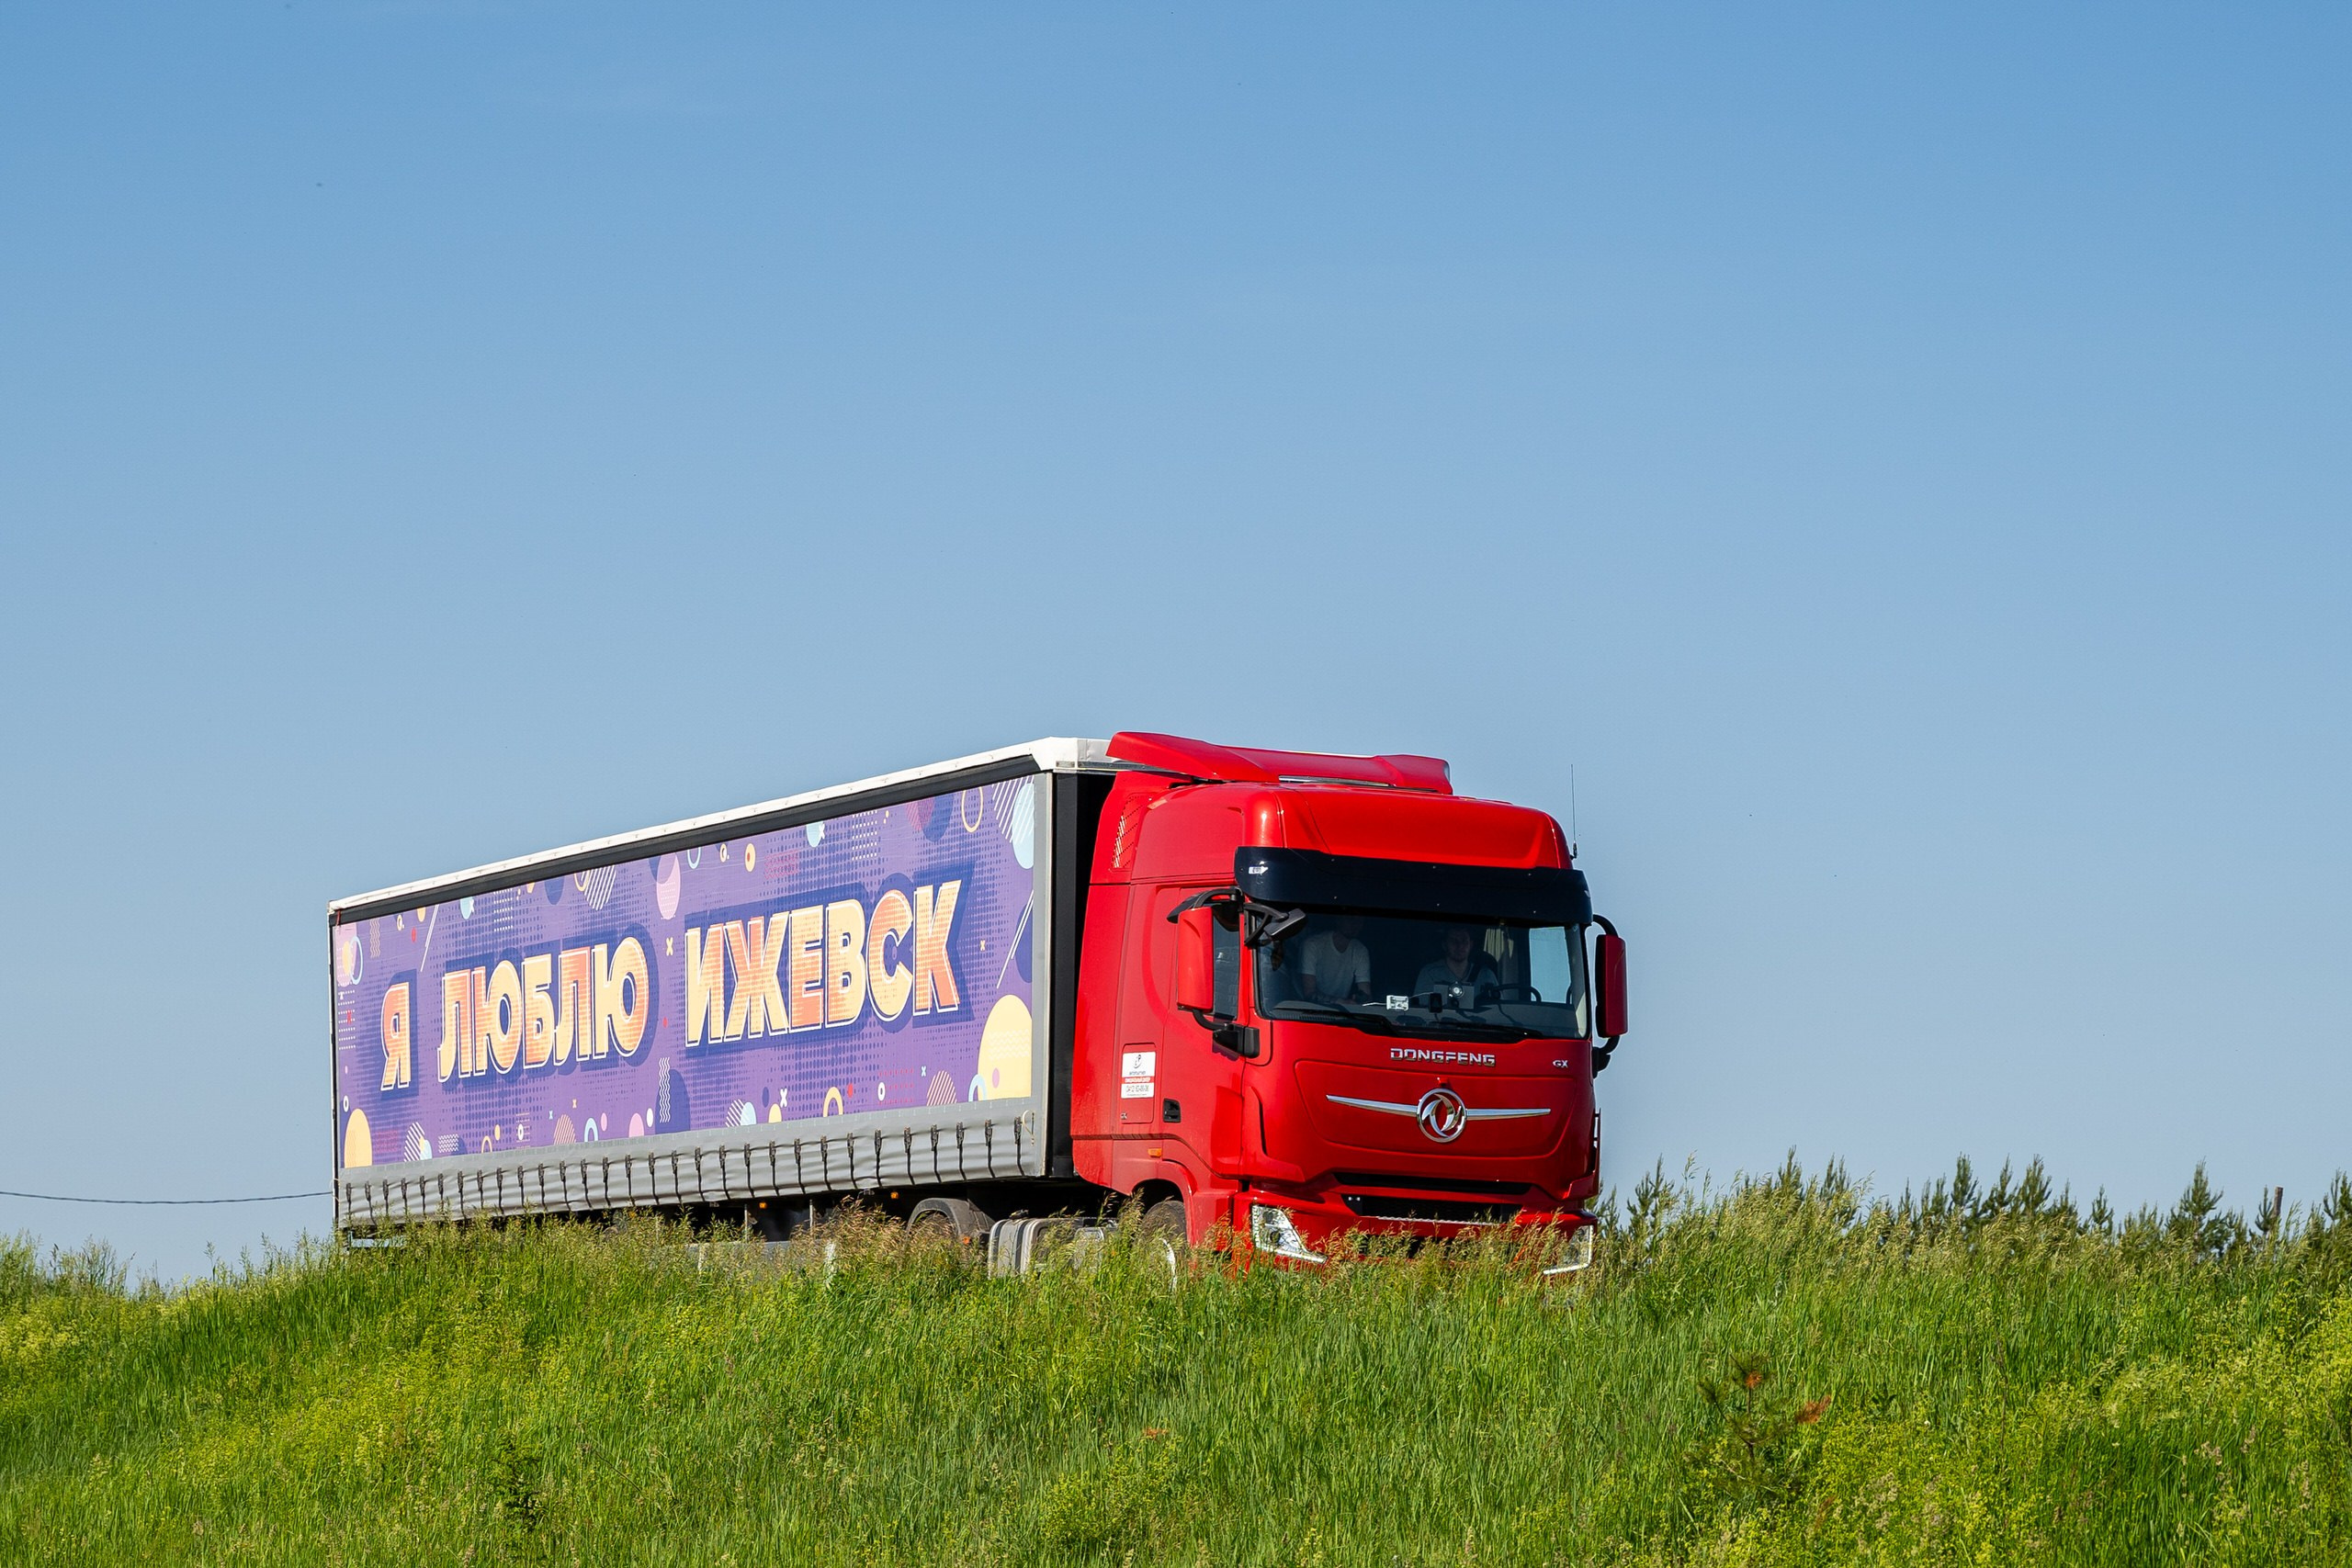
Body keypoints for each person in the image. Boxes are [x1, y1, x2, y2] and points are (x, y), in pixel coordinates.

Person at [1414, 923, 1498, 1006]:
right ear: (1444, 945)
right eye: (1454, 941)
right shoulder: (1430, 974)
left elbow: (1499, 1009)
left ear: (1471, 945)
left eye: (1464, 941)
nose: (1460, 945)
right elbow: (1420, 1010)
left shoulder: (1486, 975)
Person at [1296, 915, 1372, 1003]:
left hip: (1342, 1013)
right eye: (1351, 919)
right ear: (1338, 919)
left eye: (1360, 921)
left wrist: (1361, 999)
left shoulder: (1360, 950)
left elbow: (1366, 995)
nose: (1355, 924)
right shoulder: (1312, 945)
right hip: (1304, 1011)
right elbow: (1309, 993)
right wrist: (1339, 1002)